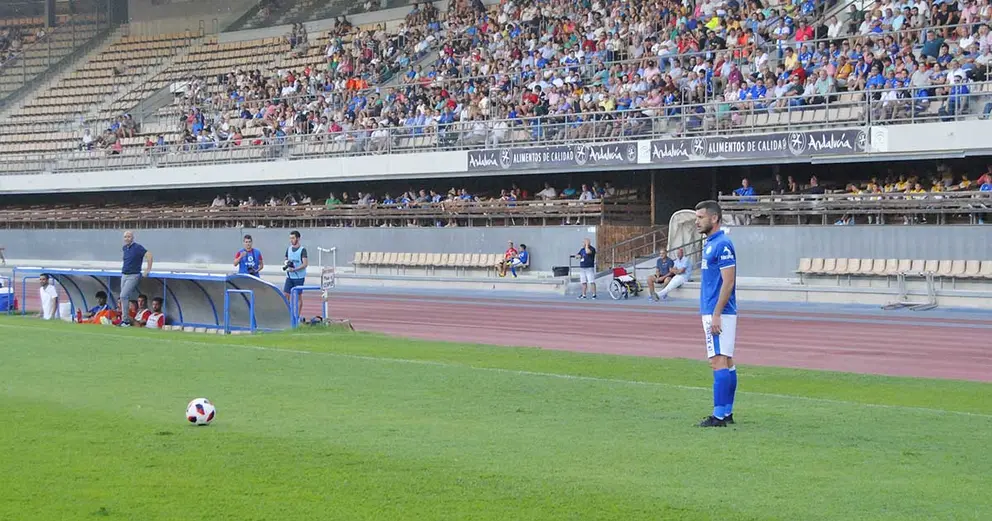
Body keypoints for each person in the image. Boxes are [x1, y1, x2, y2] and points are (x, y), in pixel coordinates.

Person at [694, 200, 739, 428]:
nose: (696, 221)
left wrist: (717, 314)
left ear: (714, 218)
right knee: (727, 361)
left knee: (717, 361)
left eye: (700, 217)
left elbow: (728, 281)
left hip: (718, 312)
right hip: (714, 310)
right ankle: (727, 412)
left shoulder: (722, 244)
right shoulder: (711, 243)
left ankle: (718, 416)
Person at [120, 230, 153, 327]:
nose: (127, 238)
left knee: (123, 295)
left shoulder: (138, 247)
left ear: (133, 238)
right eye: (125, 237)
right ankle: (125, 319)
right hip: (124, 274)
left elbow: (149, 255)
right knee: (123, 297)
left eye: (129, 236)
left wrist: (148, 269)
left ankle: (125, 321)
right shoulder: (125, 248)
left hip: (133, 275)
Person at [283, 230, 308, 319]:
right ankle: (287, 315)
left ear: (298, 238)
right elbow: (285, 259)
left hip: (299, 277)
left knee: (298, 297)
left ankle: (296, 316)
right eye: (290, 238)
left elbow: (305, 264)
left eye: (293, 238)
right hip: (289, 276)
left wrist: (295, 269)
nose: (291, 240)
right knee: (286, 295)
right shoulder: (289, 249)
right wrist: (287, 264)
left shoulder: (302, 250)